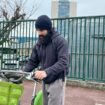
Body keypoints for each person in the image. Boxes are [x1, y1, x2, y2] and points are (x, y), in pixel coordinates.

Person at [23, 15, 69, 105]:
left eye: (41, 30)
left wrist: (46, 72)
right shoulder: (39, 44)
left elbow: (63, 61)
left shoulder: (60, 41)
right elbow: (33, 61)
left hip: (57, 79)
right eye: (38, 30)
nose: (39, 33)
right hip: (45, 79)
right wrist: (22, 73)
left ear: (48, 29)